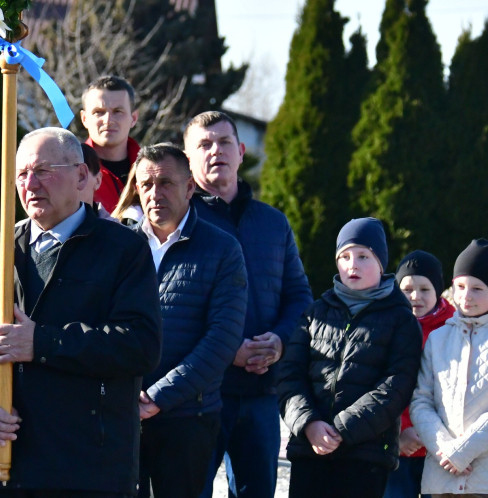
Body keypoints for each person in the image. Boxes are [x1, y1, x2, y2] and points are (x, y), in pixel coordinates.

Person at [0, 127, 162, 497]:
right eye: (21, 174)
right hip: (7, 467)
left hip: (89, 470)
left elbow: (140, 345)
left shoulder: (123, 250)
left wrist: (43, 342)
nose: (30, 183)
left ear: (81, 175)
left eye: (43, 171)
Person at [183, 111, 312, 498]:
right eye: (203, 144)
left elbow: (300, 296)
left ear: (241, 152)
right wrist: (228, 350)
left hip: (260, 392)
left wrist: (280, 341)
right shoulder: (181, 225)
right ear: (188, 158)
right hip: (201, 393)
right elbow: (174, 309)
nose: (215, 151)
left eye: (223, 142)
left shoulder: (274, 223)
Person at [125, 143, 248, 498]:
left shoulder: (222, 249)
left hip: (187, 418)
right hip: (123, 414)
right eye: (145, 185)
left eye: (165, 183)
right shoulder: (121, 245)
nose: (154, 194)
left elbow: (222, 339)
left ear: (190, 187)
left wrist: (160, 396)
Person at [279, 218, 423, 498]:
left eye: (363, 256)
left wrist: (341, 430)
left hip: (365, 456)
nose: (352, 264)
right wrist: (309, 424)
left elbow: (396, 386)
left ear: (381, 263)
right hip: (309, 451)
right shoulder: (315, 313)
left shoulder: (401, 319)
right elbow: (289, 375)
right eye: (344, 256)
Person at [409, 239, 488, 497]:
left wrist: (463, 452)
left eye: (477, 288)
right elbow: (421, 401)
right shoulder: (438, 339)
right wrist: (445, 449)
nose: (466, 296)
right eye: (461, 286)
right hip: (442, 475)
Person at [385, 251, 454, 498]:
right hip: (399, 446)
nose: (416, 296)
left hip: (440, 450)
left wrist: (430, 433)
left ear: (438, 289)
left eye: (425, 289)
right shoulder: (388, 327)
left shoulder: (453, 328)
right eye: (408, 289)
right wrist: (396, 436)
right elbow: (382, 389)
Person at [80, 76, 140, 215]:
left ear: (134, 118)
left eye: (118, 111)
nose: (108, 120)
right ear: (84, 119)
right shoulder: (73, 170)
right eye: (98, 112)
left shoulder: (151, 169)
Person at [79, 143, 117, 220]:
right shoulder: (48, 228)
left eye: (81, 176)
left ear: (98, 180)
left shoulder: (117, 231)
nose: (71, 182)